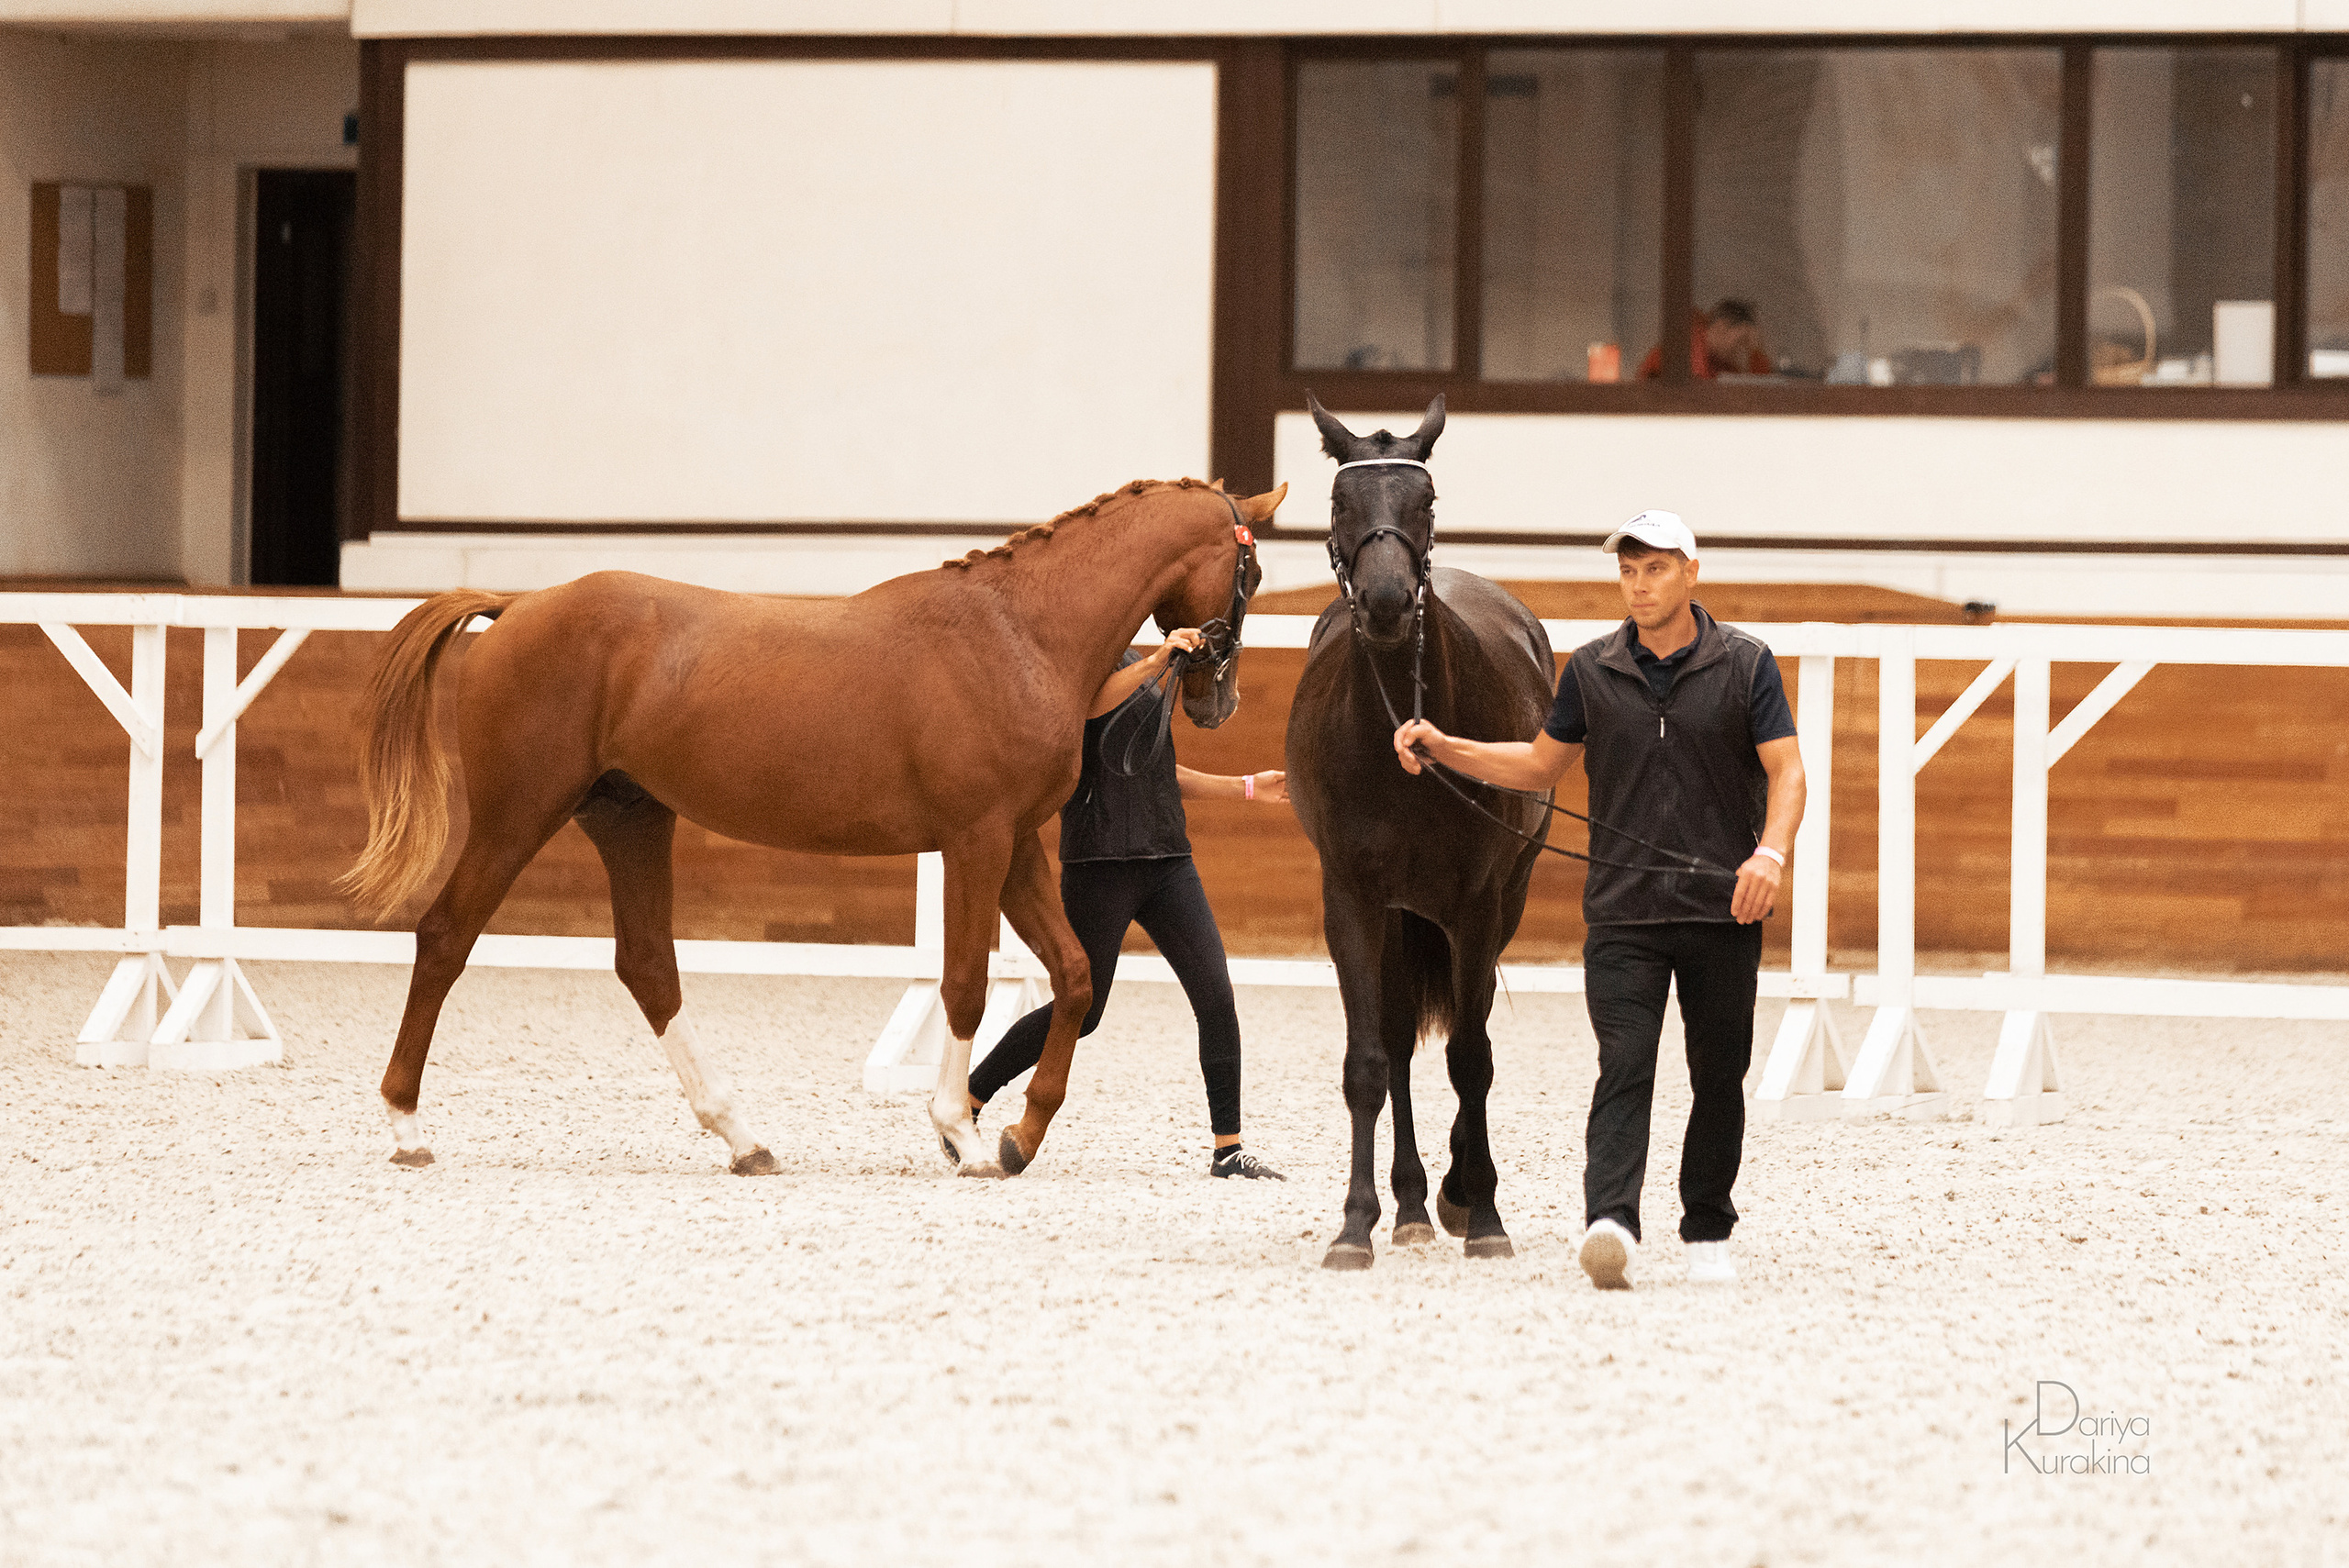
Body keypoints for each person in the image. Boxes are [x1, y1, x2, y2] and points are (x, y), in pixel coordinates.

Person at [1390, 511, 1805, 1289]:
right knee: (1625, 1062)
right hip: (1622, 915)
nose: (1639, 584)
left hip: (1724, 910)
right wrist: (1445, 746)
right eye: (1628, 571)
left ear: (1691, 572)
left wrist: (1771, 854)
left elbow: (1788, 771)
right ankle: (1610, 1219)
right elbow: (1541, 765)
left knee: (1719, 1072)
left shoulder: (1747, 664)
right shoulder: (1590, 669)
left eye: (1654, 569)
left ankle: (1707, 1224)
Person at [963, 628, 1290, 1180]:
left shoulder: (1144, 666)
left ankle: (1228, 1147)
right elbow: (1092, 709)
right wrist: (1159, 661)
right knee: (1083, 1012)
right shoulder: (1074, 670)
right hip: (1100, 865)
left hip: (1168, 861)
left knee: (1216, 995)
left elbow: (1163, 770)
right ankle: (972, 1096)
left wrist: (1247, 788)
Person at [1639, 297, 1771, 381]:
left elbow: (1761, 389)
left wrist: (1754, 354)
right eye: (1741, 341)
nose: (1742, 350)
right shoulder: (1687, 347)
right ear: (1721, 327)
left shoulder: (1721, 363)